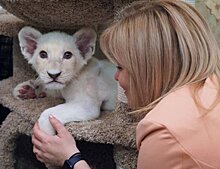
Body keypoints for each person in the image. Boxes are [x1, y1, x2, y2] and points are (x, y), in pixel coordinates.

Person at [32, 0, 220, 168]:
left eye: (120, 67)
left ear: (148, 69)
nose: (115, 77)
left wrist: (71, 159)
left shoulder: (163, 132)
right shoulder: (213, 84)